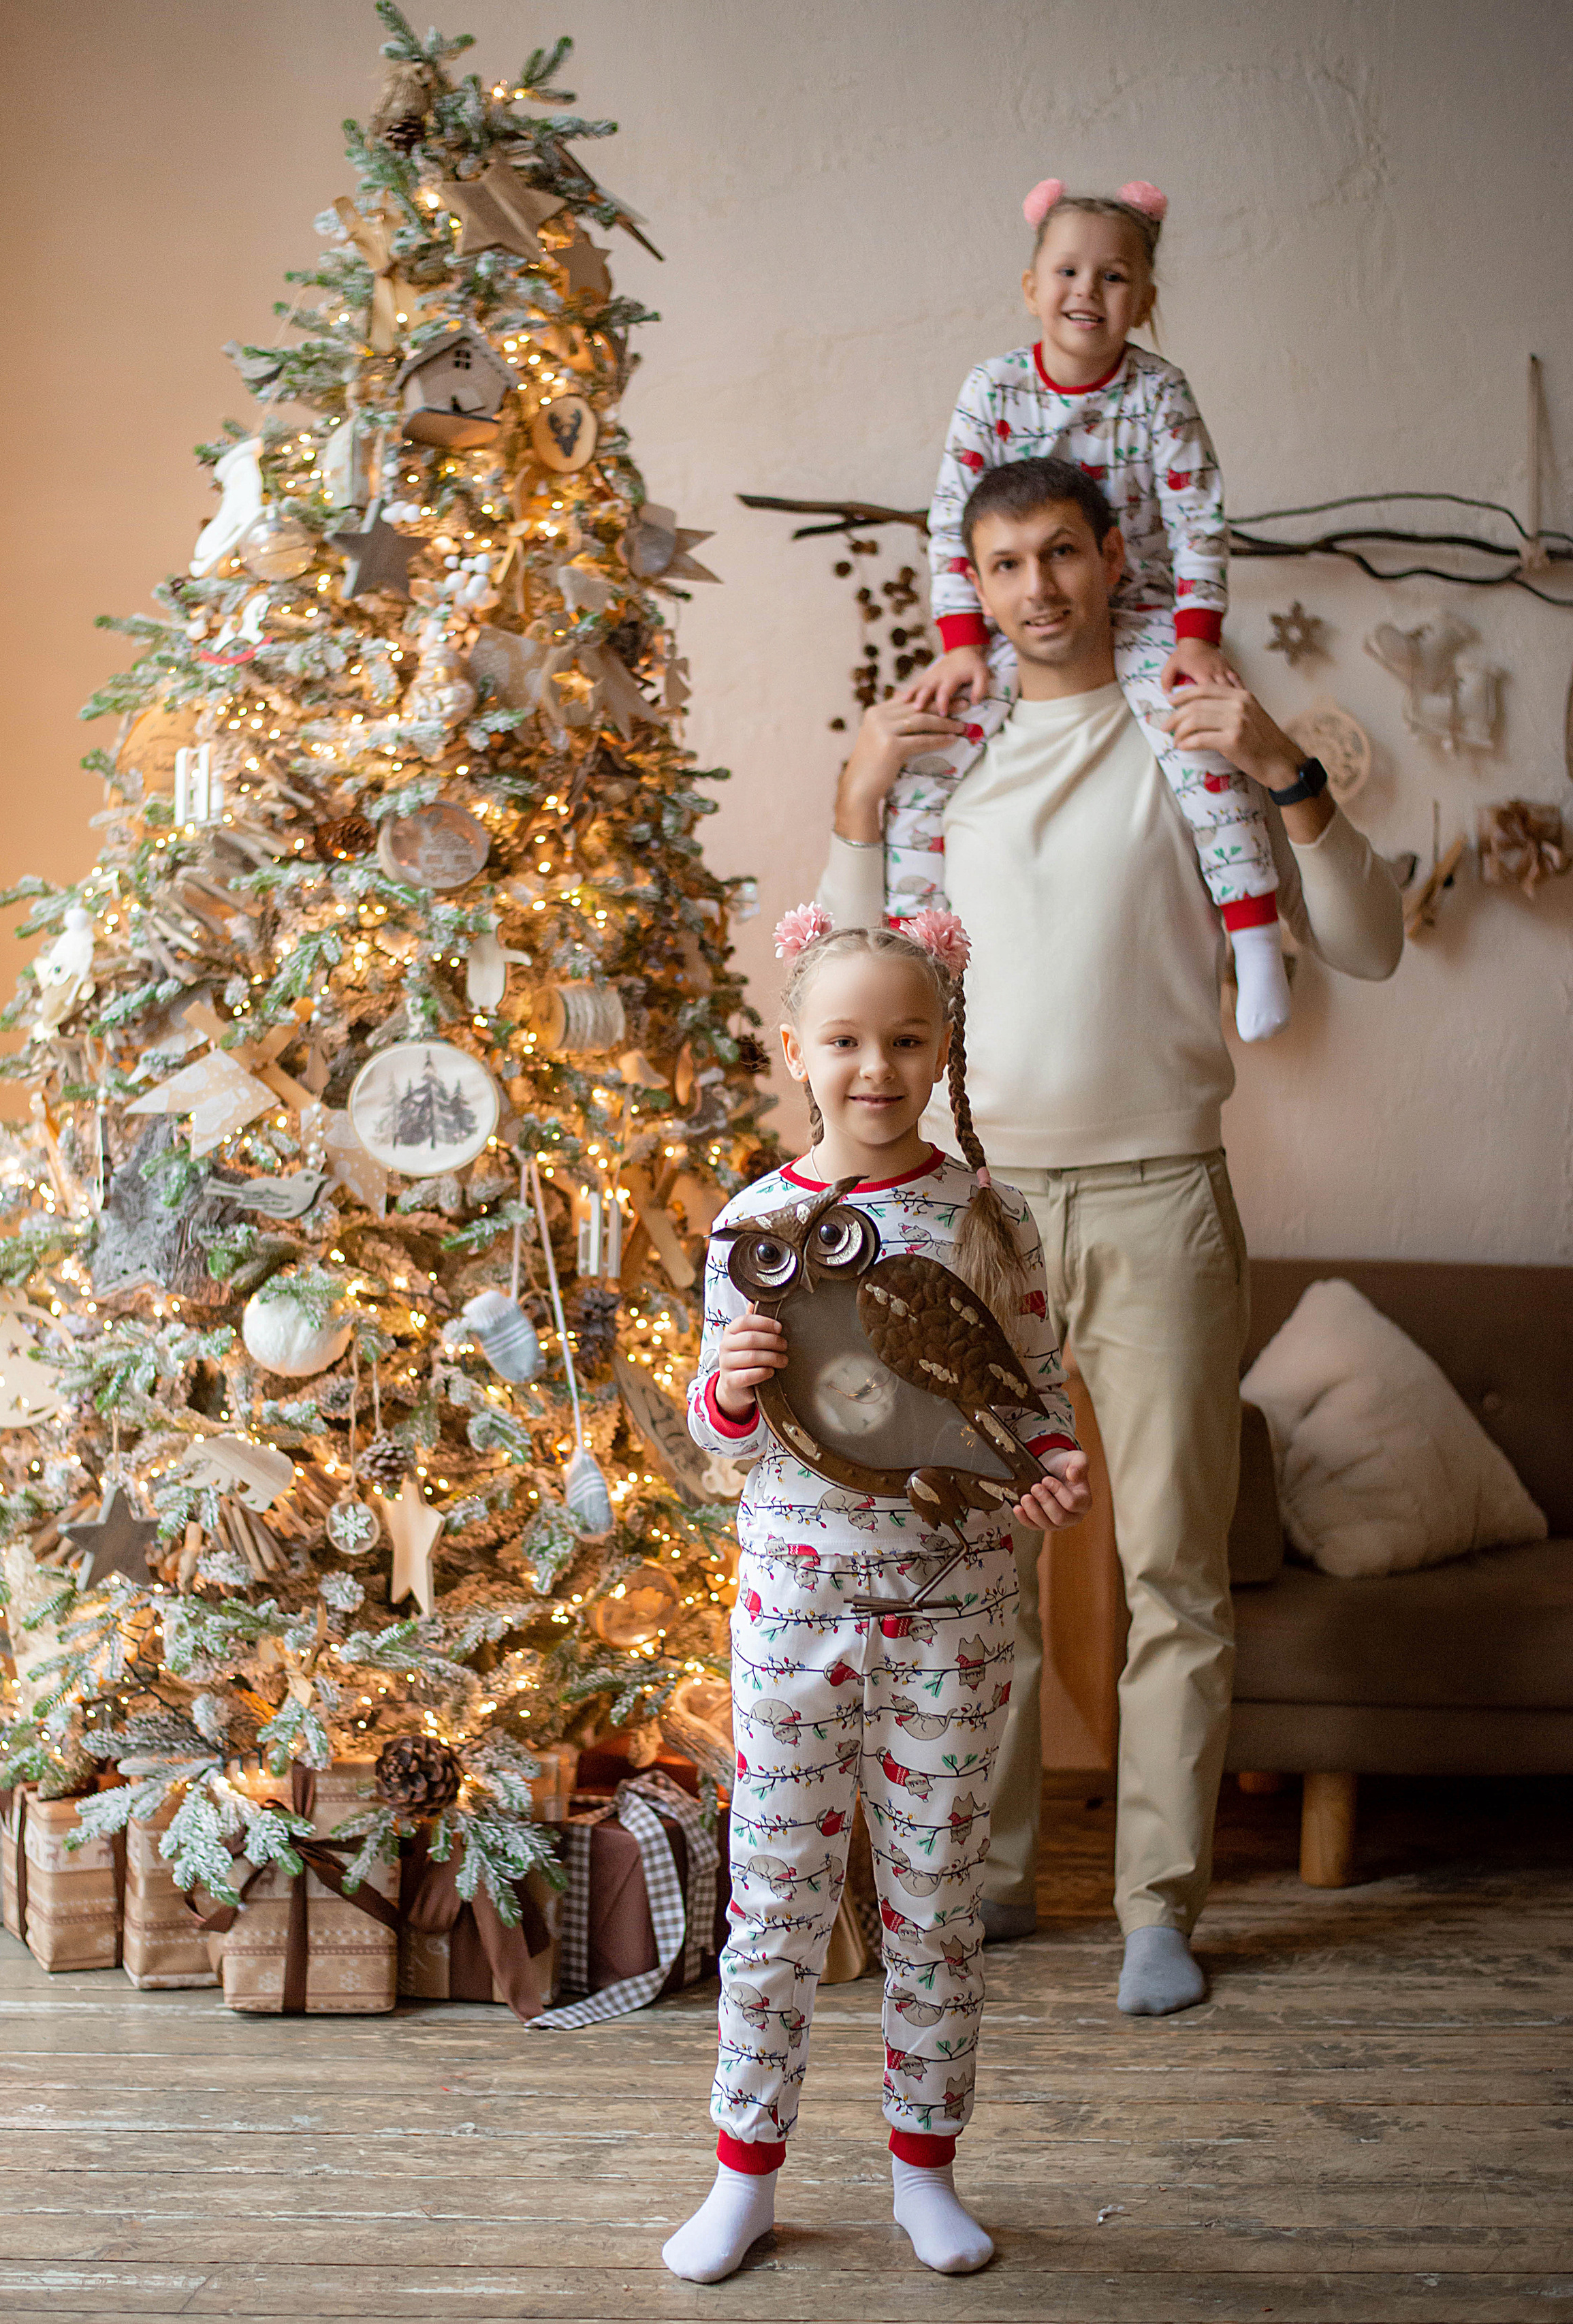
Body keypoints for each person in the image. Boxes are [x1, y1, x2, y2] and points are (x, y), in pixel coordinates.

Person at [817, 454, 1403, 2021]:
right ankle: (988, 1874)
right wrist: (857, 803)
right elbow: (851, 984)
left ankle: (1158, 1903)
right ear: (976, 581)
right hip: (969, 1211)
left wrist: (1280, 761)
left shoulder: (1183, 721)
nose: (1032, 589)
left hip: (1157, 1195)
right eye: (1000, 562)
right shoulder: (950, 749)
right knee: (965, 1560)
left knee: (1170, 1571)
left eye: (1058, 553)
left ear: (1107, 555)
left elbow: (1365, 940)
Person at [665, 909, 1092, 2284]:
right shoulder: (751, 1220)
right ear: (796, 1049)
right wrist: (725, 1383)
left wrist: (1051, 1467)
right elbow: (717, 1435)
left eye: (904, 1039)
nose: (873, 1066)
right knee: (774, 1896)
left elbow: (1027, 1393)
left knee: (932, 1898)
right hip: (791, 1615)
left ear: (940, 1048)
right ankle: (743, 2170)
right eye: (842, 1039)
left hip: (953, 1623)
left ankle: (924, 2166)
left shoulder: (988, 1214)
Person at [891, 177, 1292, 1042]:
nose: (1087, 292)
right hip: (1019, 619)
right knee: (928, 754)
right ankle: (908, 950)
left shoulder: (1159, 393)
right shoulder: (992, 388)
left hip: (1141, 614)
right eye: (1067, 272)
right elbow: (951, 513)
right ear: (1031, 289)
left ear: (1143, 301)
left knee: (1200, 745)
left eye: (1114, 278)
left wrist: (1195, 637)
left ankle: (1253, 933)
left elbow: (1197, 518)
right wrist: (962, 643)